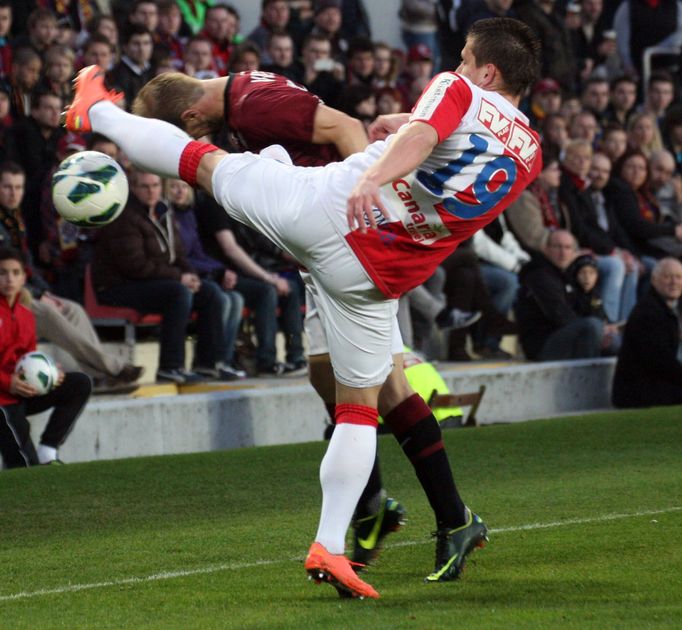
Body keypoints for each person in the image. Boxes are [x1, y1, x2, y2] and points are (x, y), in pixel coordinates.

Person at [64, 17, 542, 599]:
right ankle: (331, 546)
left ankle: (96, 109)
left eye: (467, 58)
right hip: (374, 277)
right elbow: (441, 160)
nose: (460, 64)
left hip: (332, 211)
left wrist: (380, 171)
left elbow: (421, 142)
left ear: (487, 71)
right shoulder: (530, 153)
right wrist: (401, 135)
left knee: (203, 164)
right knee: (360, 408)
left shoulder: (458, 88)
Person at [93, 169, 233, 384]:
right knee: (178, 293)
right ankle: (170, 366)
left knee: (210, 292)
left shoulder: (163, 212)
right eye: (145, 186)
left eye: (155, 186)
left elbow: (178, 255)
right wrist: (179, 278)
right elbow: (135, 266)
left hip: (154, 281)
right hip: (119, 287)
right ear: (133, 188)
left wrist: (190, 275)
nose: (151, 191)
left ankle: (207, 364)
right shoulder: (124, 216)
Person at [0, 247, 92, 468]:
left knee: (79, 383)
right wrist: (7, 382)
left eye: (15, 272)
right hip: (2, 401)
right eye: (2, 272)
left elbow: (28, 358)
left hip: (19, 394)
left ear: (24, 277)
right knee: (24, 466)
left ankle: (48, 450)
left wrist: (50, 374)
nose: (9, 279)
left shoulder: (25, 315)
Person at [515, 229, 616, 360]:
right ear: (546, 249)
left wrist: (606, 328)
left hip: (565, 336)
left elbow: (587, 306)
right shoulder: (539, 275)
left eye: (568, 248)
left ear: (574, 252)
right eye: (558, 247)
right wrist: (598, 330)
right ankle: (585, 376)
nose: (563, 253)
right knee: (592, 327)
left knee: (614, 340)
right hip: (543, 345)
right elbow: (559, 314)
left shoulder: (569, 275)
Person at [612, 257, 682, 407]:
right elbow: (661, 361)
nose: (674, 282)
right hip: (640, 393)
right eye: (667, 277)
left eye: (678, 277)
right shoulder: (648, 313)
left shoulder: (667, 309)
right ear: (654, 280)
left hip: (657, 385)